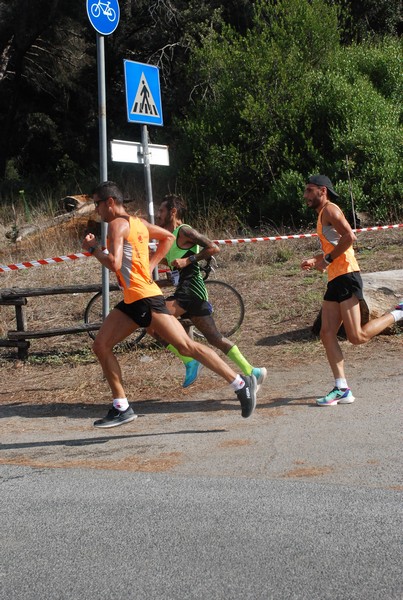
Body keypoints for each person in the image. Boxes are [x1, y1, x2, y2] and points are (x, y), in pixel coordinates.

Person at [82, 181, 258, 428]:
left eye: (97, 204)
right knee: (101, 345)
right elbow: (166, 237)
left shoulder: (117, 225)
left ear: (110, 202)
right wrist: (151, 265)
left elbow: (113, 262)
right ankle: (121, 406)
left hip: (145, 298)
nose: (96, 210)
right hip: (134, 299)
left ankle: (240, 383)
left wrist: (93, 249)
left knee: (187, 346)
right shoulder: (139, 223)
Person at [301, 174, 403, 406]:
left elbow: (350, 237)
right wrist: (316, 259)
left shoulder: (330, 211)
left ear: (322, 191)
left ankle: (399, 312)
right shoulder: (322, 214)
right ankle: (341, 388)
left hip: (347, 276)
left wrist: (326, 260)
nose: (306, 195)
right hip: (336, 278)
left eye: (309, 190)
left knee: (356, 336)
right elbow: (335, 245)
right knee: (326, 334)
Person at [153, 194, 267, 390]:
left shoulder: (184, 230)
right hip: (188, 292)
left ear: (173, 212)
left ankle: (190, 361)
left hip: (191, 291)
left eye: (162, 210)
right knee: (215, 338)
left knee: (153, 321)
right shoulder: (170, 240)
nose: (158, 214)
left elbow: (213, 248)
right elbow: (174, 271)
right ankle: (252, 371)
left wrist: (187, 261)